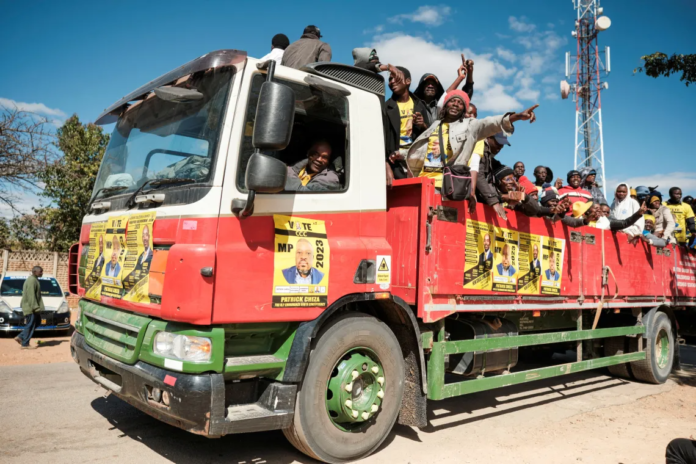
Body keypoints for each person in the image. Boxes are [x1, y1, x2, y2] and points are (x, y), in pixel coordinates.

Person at [406, 89, 539, 217]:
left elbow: (491, 123)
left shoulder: (470, 126)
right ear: (445, 105)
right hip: (423, 183)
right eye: (453, 101)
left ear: (463, 110)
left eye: (460, 103)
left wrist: (517, 116)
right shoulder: (435, 126)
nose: (456, 105)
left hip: (446, 188)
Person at [384, 66, 430, 184]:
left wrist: (423, 125)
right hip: (395, 164)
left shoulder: (420, 105)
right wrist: (386, 167)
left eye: (396, 78)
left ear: (408, 81)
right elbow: (380, 140)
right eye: (389, 79)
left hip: (416, 164)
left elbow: (430, 135)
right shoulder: (386, 107)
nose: (391, 81)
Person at [15, 266, 44, 349]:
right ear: (35, 272)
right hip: (30, 307)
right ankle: (25, 343)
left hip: (32, 306)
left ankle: (21, 337)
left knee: (36, 322)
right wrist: (35, 307)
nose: (42, 273)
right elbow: (31, 296)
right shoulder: (32, 280)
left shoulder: (34, 280)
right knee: (30, 324)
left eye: (42, 271)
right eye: (40, 271)